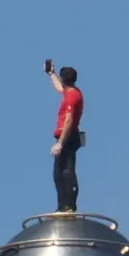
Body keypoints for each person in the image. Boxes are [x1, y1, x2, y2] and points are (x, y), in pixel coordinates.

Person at [45, 61, 84, 213]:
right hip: (68, 136)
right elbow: (60, 88)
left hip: (67, 136)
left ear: (64, 79)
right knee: (59, 172)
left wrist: (60, 143)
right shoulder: (72, 92)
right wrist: (51, 74)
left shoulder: (71, 98)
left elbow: (69, 121)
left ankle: (68, 206)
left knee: (65, 172)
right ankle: (63, 206)